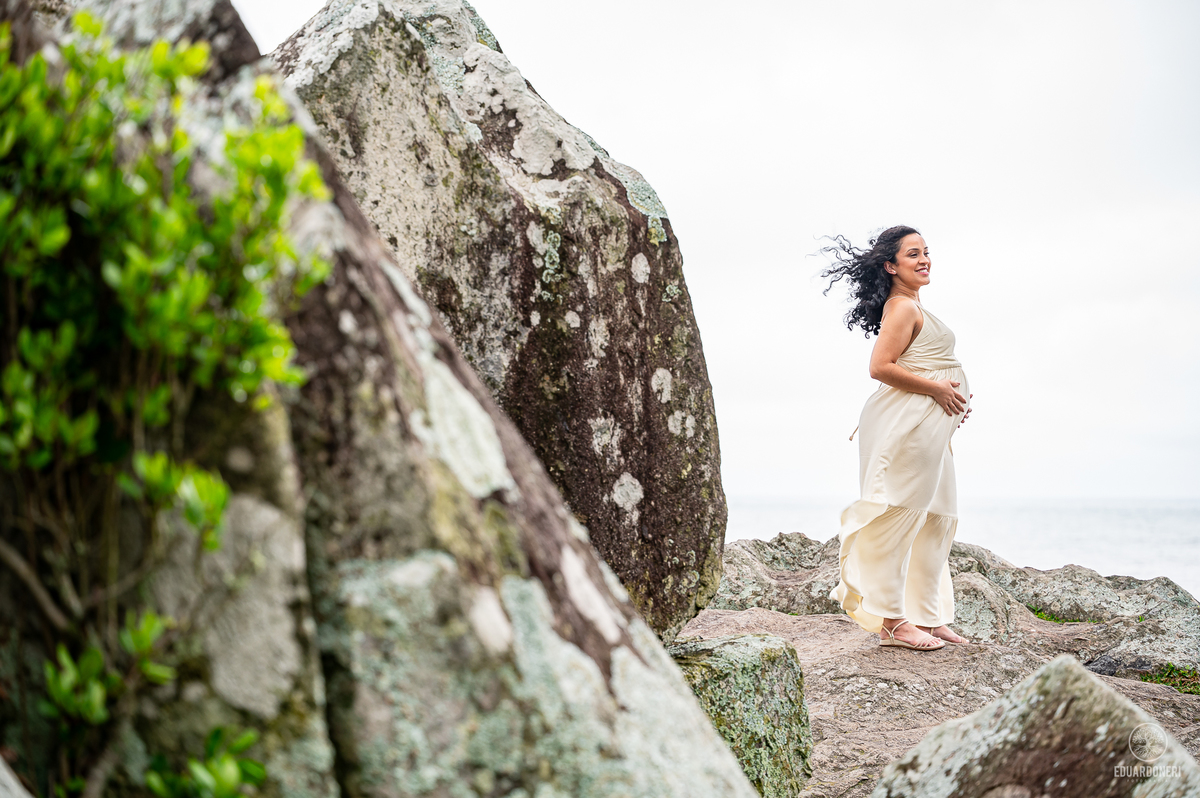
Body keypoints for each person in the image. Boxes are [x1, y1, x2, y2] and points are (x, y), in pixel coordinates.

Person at [820, 225, 973, 651]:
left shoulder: (917, 307)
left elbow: (928, 364)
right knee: (901, 515)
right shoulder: (901, 307)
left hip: (931, 426)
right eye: (912, 254)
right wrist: (941, 389)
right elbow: (880, 367)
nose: (924, 260)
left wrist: (953, 398)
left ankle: (929, 616)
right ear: (891, 266)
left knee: (938, 516)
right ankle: (891, 621)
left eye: (926, 252)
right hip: (906, 426)